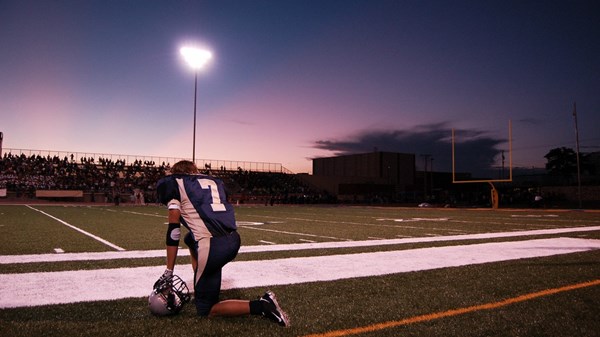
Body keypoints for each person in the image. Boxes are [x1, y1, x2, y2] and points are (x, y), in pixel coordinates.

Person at [155, 160, 290, 326]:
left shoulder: (175, 183)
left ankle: (262, 305)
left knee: (207, 311)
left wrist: (169, 271)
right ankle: (201, 279)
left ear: (176, 173)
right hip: (232, 239)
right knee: (190, 238)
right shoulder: (212, 181)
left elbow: (174, 231)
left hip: (212, 247)